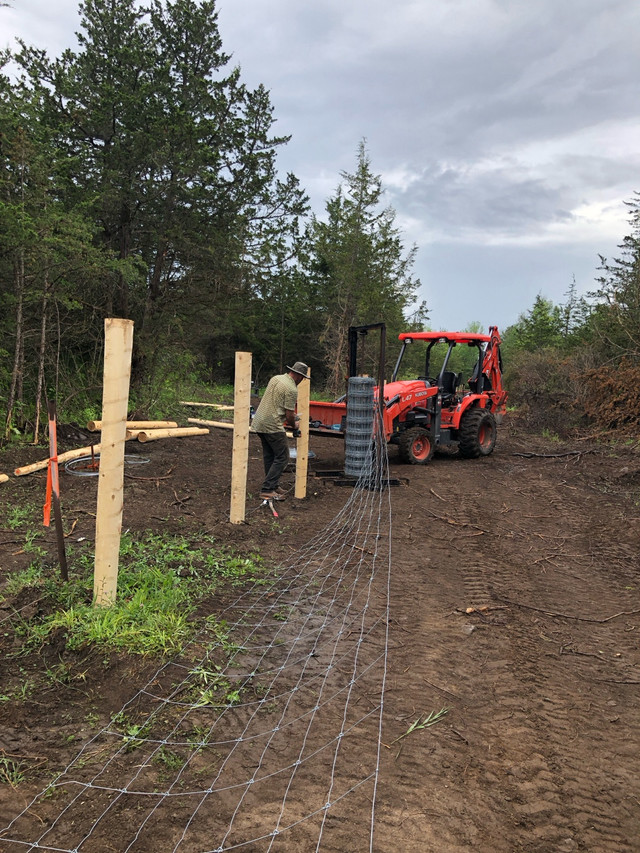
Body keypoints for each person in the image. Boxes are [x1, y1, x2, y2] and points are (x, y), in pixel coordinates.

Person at [250, 362, 310, 501]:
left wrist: (292, 417)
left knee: (270, 455)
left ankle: (273, 485)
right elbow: (289, 414)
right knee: (283, 457)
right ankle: (267, 489)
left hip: (260, 422)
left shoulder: (276, 378)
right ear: (299, 376)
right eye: (302, 378)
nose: (302, 381)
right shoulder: (292, 389)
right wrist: (294, 425)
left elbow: (276, 402)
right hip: (272, 425)